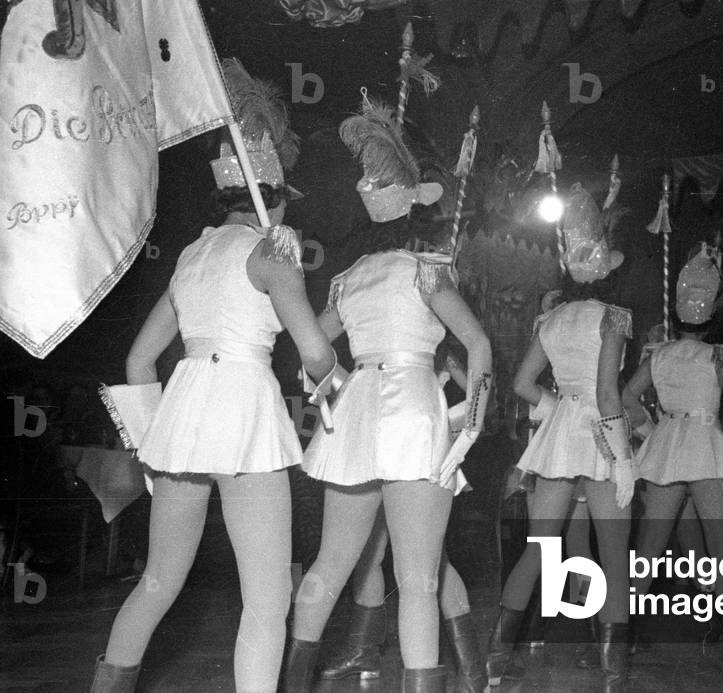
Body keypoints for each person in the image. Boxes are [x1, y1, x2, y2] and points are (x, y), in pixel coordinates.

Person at [89, 60, 336, 693]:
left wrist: (151, 446)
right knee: (265, 597)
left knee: (157, 581)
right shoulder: (273, 250)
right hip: (245, 413)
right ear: (272, 196)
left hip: (184, 416)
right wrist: (331, 388)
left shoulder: (191, 255)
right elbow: (313, 352)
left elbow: (138, 362)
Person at [284, 94, 492, 693]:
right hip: (414, 415)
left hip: (357, 414)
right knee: (420, 576)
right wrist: (470, 422)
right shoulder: (429, 270)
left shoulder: (349, 279)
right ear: (416, 207)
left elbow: (311, 352)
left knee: (329, 565)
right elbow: (477, 344)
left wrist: (338, 389)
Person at [485, 183, 635, 693]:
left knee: (538, 548)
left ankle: (495, 660)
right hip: (600, 436)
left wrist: (559, 415)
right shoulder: (615, 317)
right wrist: (624, 462)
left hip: (562, 433)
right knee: (613, 554)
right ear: (609, 270)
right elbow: (609, 395)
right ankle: (613, 674)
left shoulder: (552, 317)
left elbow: (522, 385)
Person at [622, 242, 723, 674]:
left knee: (647, 551)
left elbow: (627, 396)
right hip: (706, 447)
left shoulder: (658, 353)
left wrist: (651, 430)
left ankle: (619, 644)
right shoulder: (719, 356)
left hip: (667, 444)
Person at [316, 346, 487, 693]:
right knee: (369, 554)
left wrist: (440, 422)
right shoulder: (380, 335)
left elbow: (482, 402)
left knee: (434, 565)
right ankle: (364, 651)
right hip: (376, 446)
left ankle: (473, 673)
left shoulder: (443, 351)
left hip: (418, 449)